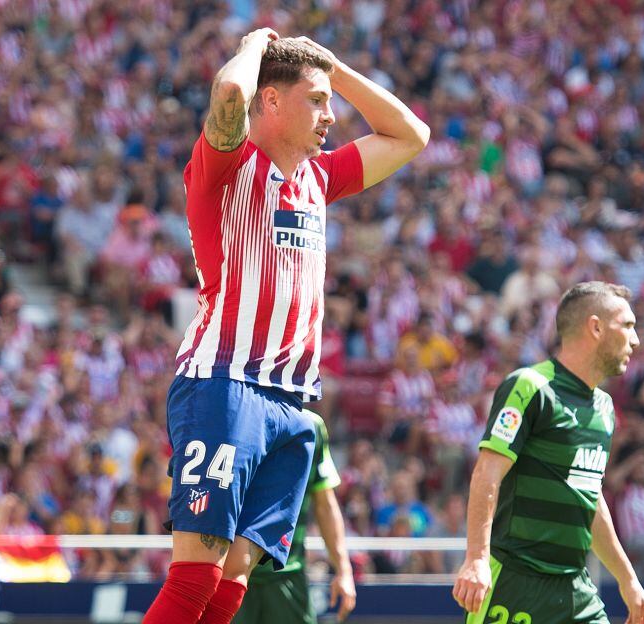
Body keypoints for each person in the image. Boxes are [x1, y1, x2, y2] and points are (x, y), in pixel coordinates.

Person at [143, 29, 428, 624]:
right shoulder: (226, 165)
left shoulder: (318, 179)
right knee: (196, 574)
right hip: (225, 383)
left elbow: (411, 135)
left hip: (293, 404)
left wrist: (334, 68)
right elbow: (227, 94)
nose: (331, 115)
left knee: (234, 579)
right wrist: (254, 45)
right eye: (318, 100)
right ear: (271, 102)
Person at [452, 282, 644, 624]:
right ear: (595, 327)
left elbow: (588, 497)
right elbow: (486, 472)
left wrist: (628, 581)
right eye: (627, 326)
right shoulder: (531, 386)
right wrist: (476, 557)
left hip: (575, 589)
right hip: (516, 582)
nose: (635, 340)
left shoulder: (604, 409)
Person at [234, 410, 356, 624]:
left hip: (288, 577)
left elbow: (325, 504)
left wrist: (344, 569)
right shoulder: (237, 416)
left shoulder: (313, 425)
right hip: (231, 576)